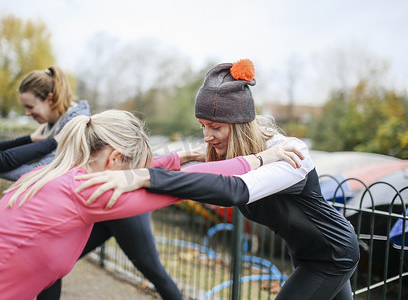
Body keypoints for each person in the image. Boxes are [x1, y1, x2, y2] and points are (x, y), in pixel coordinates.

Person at [75, 59, 360, 300]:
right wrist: (152, 170)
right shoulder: (228, 155)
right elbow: (199, 178)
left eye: (216, 127)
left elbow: (235, 190)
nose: (207, 136)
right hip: (306, 253)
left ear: (239, 126)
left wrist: (148, 178)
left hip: (333, 254)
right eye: (202, 127)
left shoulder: (288, 153)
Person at [0, 109, 298, 299]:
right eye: (131, 169)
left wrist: (181, 155)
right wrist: (258, 160)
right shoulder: (90, 192)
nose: (134, 177)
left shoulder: (58, 175)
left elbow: (145, 174)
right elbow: (182, 188)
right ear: (116, 158)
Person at [11, 66, 183, 300]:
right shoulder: (50, 128)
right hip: (93, 204)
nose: (28, 113)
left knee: (152, 270)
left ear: (49, 99)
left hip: (119, 204)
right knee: (50, 262)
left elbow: (46, 170)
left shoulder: (72, 126)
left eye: (30, 107)